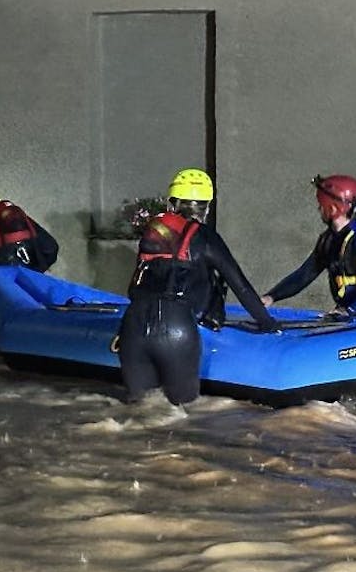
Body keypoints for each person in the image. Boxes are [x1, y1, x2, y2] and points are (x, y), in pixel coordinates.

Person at [118, 167, 279, 405]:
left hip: (133, 326)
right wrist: (268, 324)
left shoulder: (153, 234)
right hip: (177, 328)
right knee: (183, 415)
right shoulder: (205, 237)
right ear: (207, 208)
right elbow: (240, 287)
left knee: (143, 410)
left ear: (172, 204)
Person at [260, 173, 356, 322]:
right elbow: (305, 274)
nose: (319, 210)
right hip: (352, 313)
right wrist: (272, 296)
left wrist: (348, 311)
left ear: (333, 209)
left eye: (321, 206)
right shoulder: (328, 240)